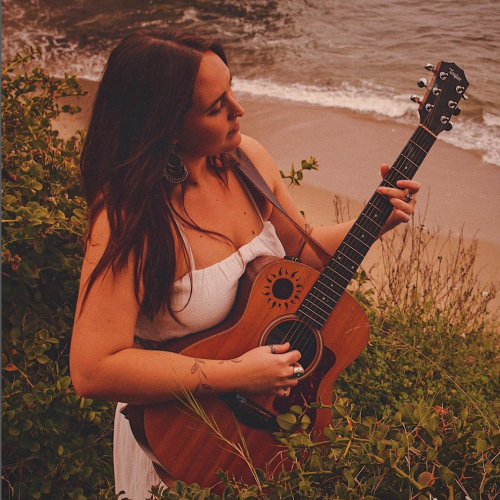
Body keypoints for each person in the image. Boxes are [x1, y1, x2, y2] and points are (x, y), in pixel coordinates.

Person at [69, 29, 420, 499]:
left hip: (266, 428)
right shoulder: (131, 219)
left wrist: (375, 221)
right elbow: (93, 369)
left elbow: (304, 249)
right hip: (183, 440)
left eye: (232, 88)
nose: (239, 109)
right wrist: (239, 373)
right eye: (216, 107)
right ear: (164, 124)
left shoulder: (244, 160)